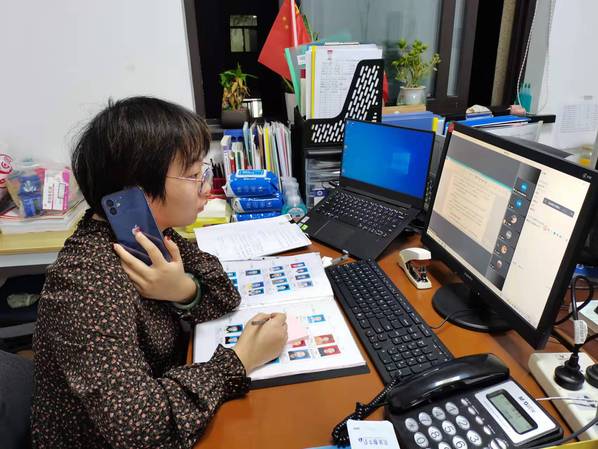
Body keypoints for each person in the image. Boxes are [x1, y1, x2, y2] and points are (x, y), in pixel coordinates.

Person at [31, 97, 288, 449]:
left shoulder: (146, 235)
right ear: (136, 193)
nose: (206, 186)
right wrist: (239, 361)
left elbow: (224, 294)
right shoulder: (84, 283)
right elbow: (141, 429)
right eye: (194, 174)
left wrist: (183, 290)